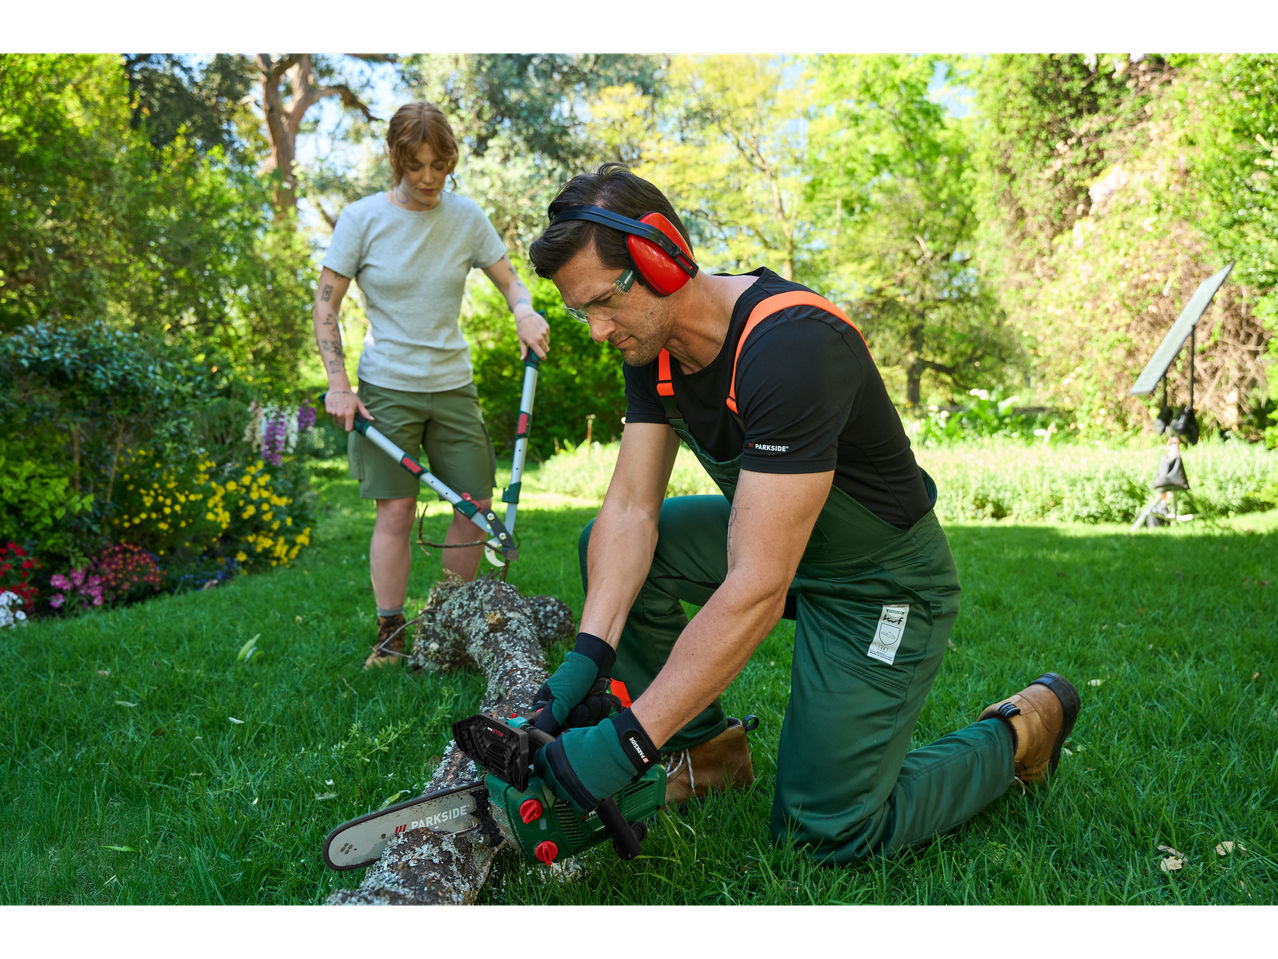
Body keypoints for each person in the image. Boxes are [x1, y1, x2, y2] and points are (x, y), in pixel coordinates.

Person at [522, 164, 1080, 862]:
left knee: (825, 830)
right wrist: (584, 662)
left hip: (878, 583)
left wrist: (629, 738)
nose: (598, 330)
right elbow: (632, 511)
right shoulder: (651, 344)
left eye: (605, 301)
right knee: (626, 544)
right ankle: (709, 755)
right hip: (782, 546)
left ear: (662, 260)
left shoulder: (790, 346)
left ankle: (1021, 731)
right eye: (582, 312)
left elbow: (756, 584)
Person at [314, 102, 550, 669]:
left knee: (476, 504)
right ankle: (391, 634)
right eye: (416, 165)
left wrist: (524, 312)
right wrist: (338, 383)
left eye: (439, 166)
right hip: (386, 386)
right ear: (396, 160)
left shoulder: (466, 217)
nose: (427, 178)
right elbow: (326, 306)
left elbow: (513, 283)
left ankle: (448, 622)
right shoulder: (362, 218)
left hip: (452, 383)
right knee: (395, 512)